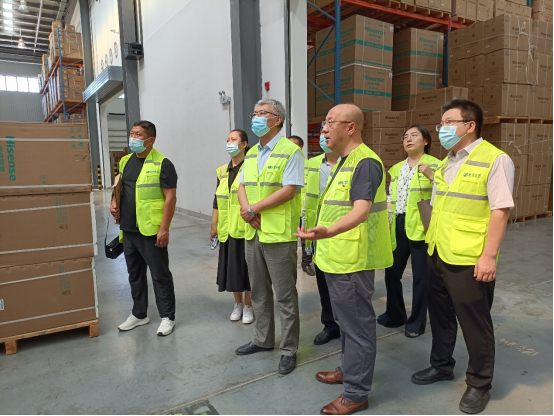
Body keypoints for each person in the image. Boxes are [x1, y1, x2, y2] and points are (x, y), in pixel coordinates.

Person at [412, 100, 515, 415]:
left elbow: (500, 211)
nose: (442, 129)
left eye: (449, 122)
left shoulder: (495, 159)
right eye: (441, 123)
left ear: (470, 125)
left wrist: (489, 257)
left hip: (470, 258)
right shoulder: (448, 161)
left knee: (475, 323)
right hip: (438, 251)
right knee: (440, 316)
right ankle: (441, 364)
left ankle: (480, 383)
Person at [296, 104, 393, 416]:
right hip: (338, 256)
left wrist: (327, 232)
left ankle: (355, 394)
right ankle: (348, 371)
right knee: (346, 324)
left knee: (358, 327)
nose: (324, 129)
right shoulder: (345, 161)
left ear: (351, 127)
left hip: (353, 258)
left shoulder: (365, 162)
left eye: (330, 122)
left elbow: (361, 211)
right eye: (324, 123)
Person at [235, 98, 305, 376]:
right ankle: (263, 340)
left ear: (277, 120)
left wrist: (253, 209)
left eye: (262, 113)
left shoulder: (291, 151)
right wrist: (246, 211)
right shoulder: (252, 152)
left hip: (278, 233)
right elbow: (242, 185)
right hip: (253, 230)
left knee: (285, 295)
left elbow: (289, 190)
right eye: (254, 113)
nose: (256, 117)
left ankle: (288, 350)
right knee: (259, 291)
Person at [111, 121, 178, 337]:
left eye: (138, 135)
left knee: (160, 275)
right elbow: (119, 188)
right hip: (128, 229)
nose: (133, 138)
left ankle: (167, 317)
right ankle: (139, 314)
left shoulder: (163, 164)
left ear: (150, 140)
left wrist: (164, 228)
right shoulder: (125, 161)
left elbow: (170, 198)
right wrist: (114, 203)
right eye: (132, 133)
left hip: (151, 230)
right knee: (135, 275)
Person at [378, 125, 440, 338]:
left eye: (414, 135)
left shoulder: (437, 165)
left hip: (423, 225)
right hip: (398, 223)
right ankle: (395, 314)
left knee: (421, 277)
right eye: (405, 136)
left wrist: (432, 176)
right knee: (391, 272)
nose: (408, 139)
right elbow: (390, 196)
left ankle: (417, 322)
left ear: (426, 141)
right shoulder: (396, 168)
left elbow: (447, 193)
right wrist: (386, 220)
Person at [211, 129, 254, 324]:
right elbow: (217, 200)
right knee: (233, 269)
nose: (230, 142)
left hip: (246, 228)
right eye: (228, 139)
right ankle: (238, 304)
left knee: (247, 269)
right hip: (227, 229)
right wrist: (214, 224)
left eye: (234, 139)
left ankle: (249, 305)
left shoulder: (251, 168)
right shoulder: (222, 171)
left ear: (244, 144)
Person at [303, 133, 341, 346]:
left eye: (329, 133)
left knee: (343, 283)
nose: (324, 138)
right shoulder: (312, 164)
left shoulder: (351, 163)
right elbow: (303, 195)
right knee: (323, 280)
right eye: (322, 134)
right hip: (316, 229)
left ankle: (348, 325)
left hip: (343, 230)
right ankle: (330, 325)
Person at [290, 135, 316, 277]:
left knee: (307, 238)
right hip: (290, 209)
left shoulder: (310, 166)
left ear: (301, 147)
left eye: (293, 145)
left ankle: (306, 263)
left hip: (306, 210)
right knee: (290, 239)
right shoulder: (285, 166)